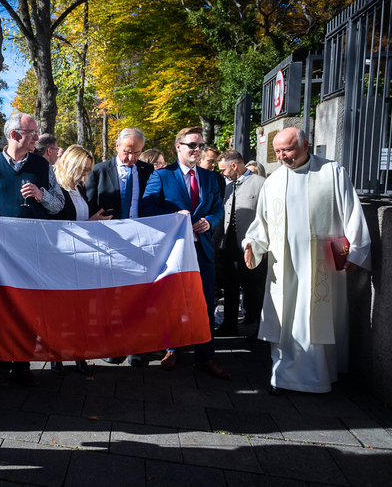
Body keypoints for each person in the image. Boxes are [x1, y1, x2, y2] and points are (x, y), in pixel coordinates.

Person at [243, 127, 371, 395]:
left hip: (321, 264)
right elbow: (262, 222)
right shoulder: (274, 181)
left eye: (287, 150)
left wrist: (357, 250)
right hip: (284, 263)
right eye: (277, 151)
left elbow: (352, 211)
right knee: (285, 318)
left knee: (315, 318)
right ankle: (283, 376)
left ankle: (318, 375)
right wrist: (252, 244)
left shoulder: (332, 172)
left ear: (305, 145)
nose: (282, 157)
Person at [0, 112, 64, 387]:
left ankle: (23, 364)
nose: (37, 136)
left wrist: (41, 195)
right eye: (32, 132)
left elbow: (59, 204)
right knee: (0, 308)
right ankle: (1, 365)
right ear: (14, 135)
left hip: (33, 251)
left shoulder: (42, 166)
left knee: (29, 308)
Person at [141, 126, 230, 379]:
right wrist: (173, 217)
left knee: (205, 304)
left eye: (200, 145)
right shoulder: (162, 175)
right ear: (178, 147)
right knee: (173, 302)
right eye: (192, 145)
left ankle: (205, 357)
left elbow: (217, 209)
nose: (197, 150)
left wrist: (210, 221)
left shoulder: (211, 177)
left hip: (203, 249)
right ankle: (172, 349)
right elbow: (147, 208)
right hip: (174, 251)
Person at [86, 127, 154, 367]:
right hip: (109, 242)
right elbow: (90, 207)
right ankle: (113, 346)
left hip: (139, 242)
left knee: (136, 295)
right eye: (127, 152)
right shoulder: (99, 171)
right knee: (111, 297)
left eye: (136, 152)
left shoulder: (148, 170)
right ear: (117, 146)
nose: (131, 158)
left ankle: (135, 346)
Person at [49, 144, 112, 374]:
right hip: (60, 259)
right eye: (83, 169)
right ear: (71, 165)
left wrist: (93, 220)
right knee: (60, 310)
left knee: (80, 310)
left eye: (88, 170)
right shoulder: (55, 189)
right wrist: (89, 224)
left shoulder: (80, 189)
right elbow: (56, 228)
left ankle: (78, 354)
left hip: (81, 259)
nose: (86, 174)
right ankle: (56, 354)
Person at [214, 150, 267, 338]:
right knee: (230, 288)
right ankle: (229, 325)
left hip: (251, 248)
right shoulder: (228, 187)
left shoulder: (261, 184)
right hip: (229, 247)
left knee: (254, 288)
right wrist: (215, 244)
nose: (222, 173)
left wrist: (264, 246)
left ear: (234, 166)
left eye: (223, 169)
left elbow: (267, 219)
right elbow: (223, 218)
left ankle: (260, 330)